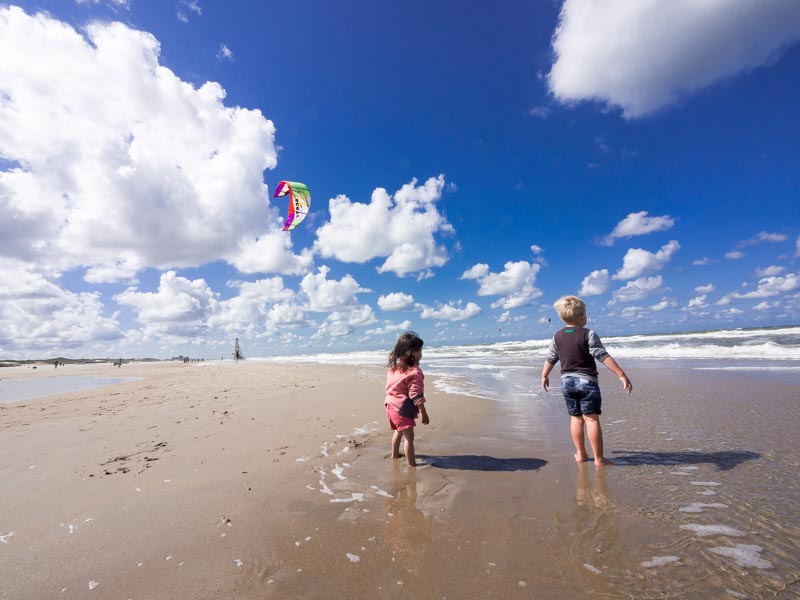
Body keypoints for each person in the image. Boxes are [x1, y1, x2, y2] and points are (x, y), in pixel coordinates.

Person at [541, 295, 632, 466]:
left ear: (561, 317)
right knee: (591, 419)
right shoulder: (588, 334)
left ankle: (581, 454)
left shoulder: (557, 336)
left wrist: (544, 375)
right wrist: (621, 374)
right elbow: (602, 355)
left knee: (576, 418)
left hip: (566, 382)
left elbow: (551, 358)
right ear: (582, 316)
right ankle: (599, 459)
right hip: (587, 382)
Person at [385, 331, 430, 467]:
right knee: (409, 439)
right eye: (420, 351)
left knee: (399, 431)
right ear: (412, 352)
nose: (422, 354)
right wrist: (424, 413)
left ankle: (395, 455)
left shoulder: (394, 368)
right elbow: (416, 394)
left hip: (390, 405)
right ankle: (411, 465)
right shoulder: (415, 372)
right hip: (401, 409)